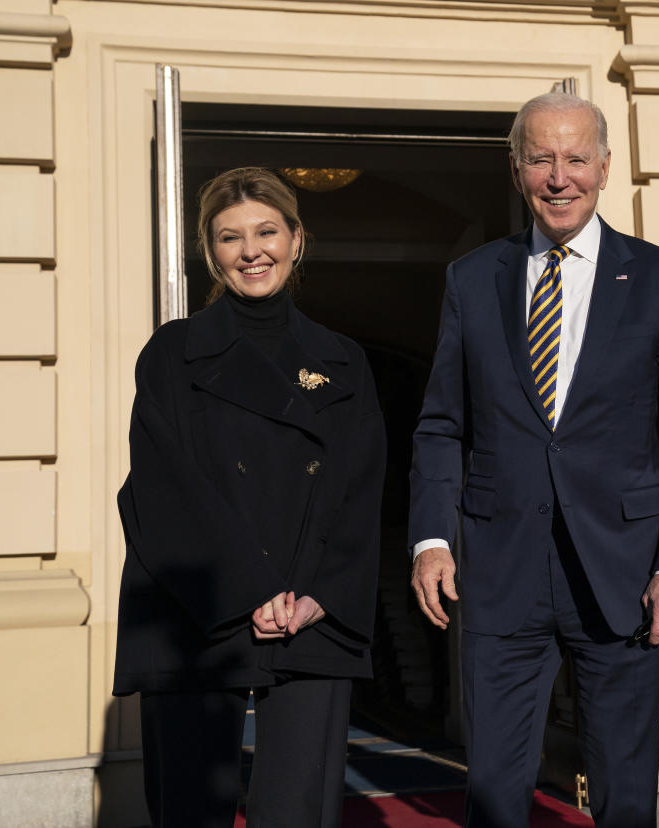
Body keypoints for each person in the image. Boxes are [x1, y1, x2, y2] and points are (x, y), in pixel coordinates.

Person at [407, 92, 659, 827]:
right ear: (517, 170)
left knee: (623, 796)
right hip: (499, 571)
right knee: (493, 791)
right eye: (541, 158)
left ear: (605, 167)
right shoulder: (471, 278)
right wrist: (431, 540)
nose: (560, 177)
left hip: (627, 575)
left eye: (576, 158)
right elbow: (441, 426)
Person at [113, 166, 386, 827]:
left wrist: (322, 592)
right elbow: (163, 489)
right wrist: (250, 588)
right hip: (198, 607)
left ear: (297, 239)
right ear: (211, 252)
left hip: (313, 610)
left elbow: (362, 487)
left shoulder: (343, 359)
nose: (251, 250)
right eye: (231, 237)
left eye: (267, 231)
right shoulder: (172, 354)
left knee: (299, 811)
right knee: (189, 812)